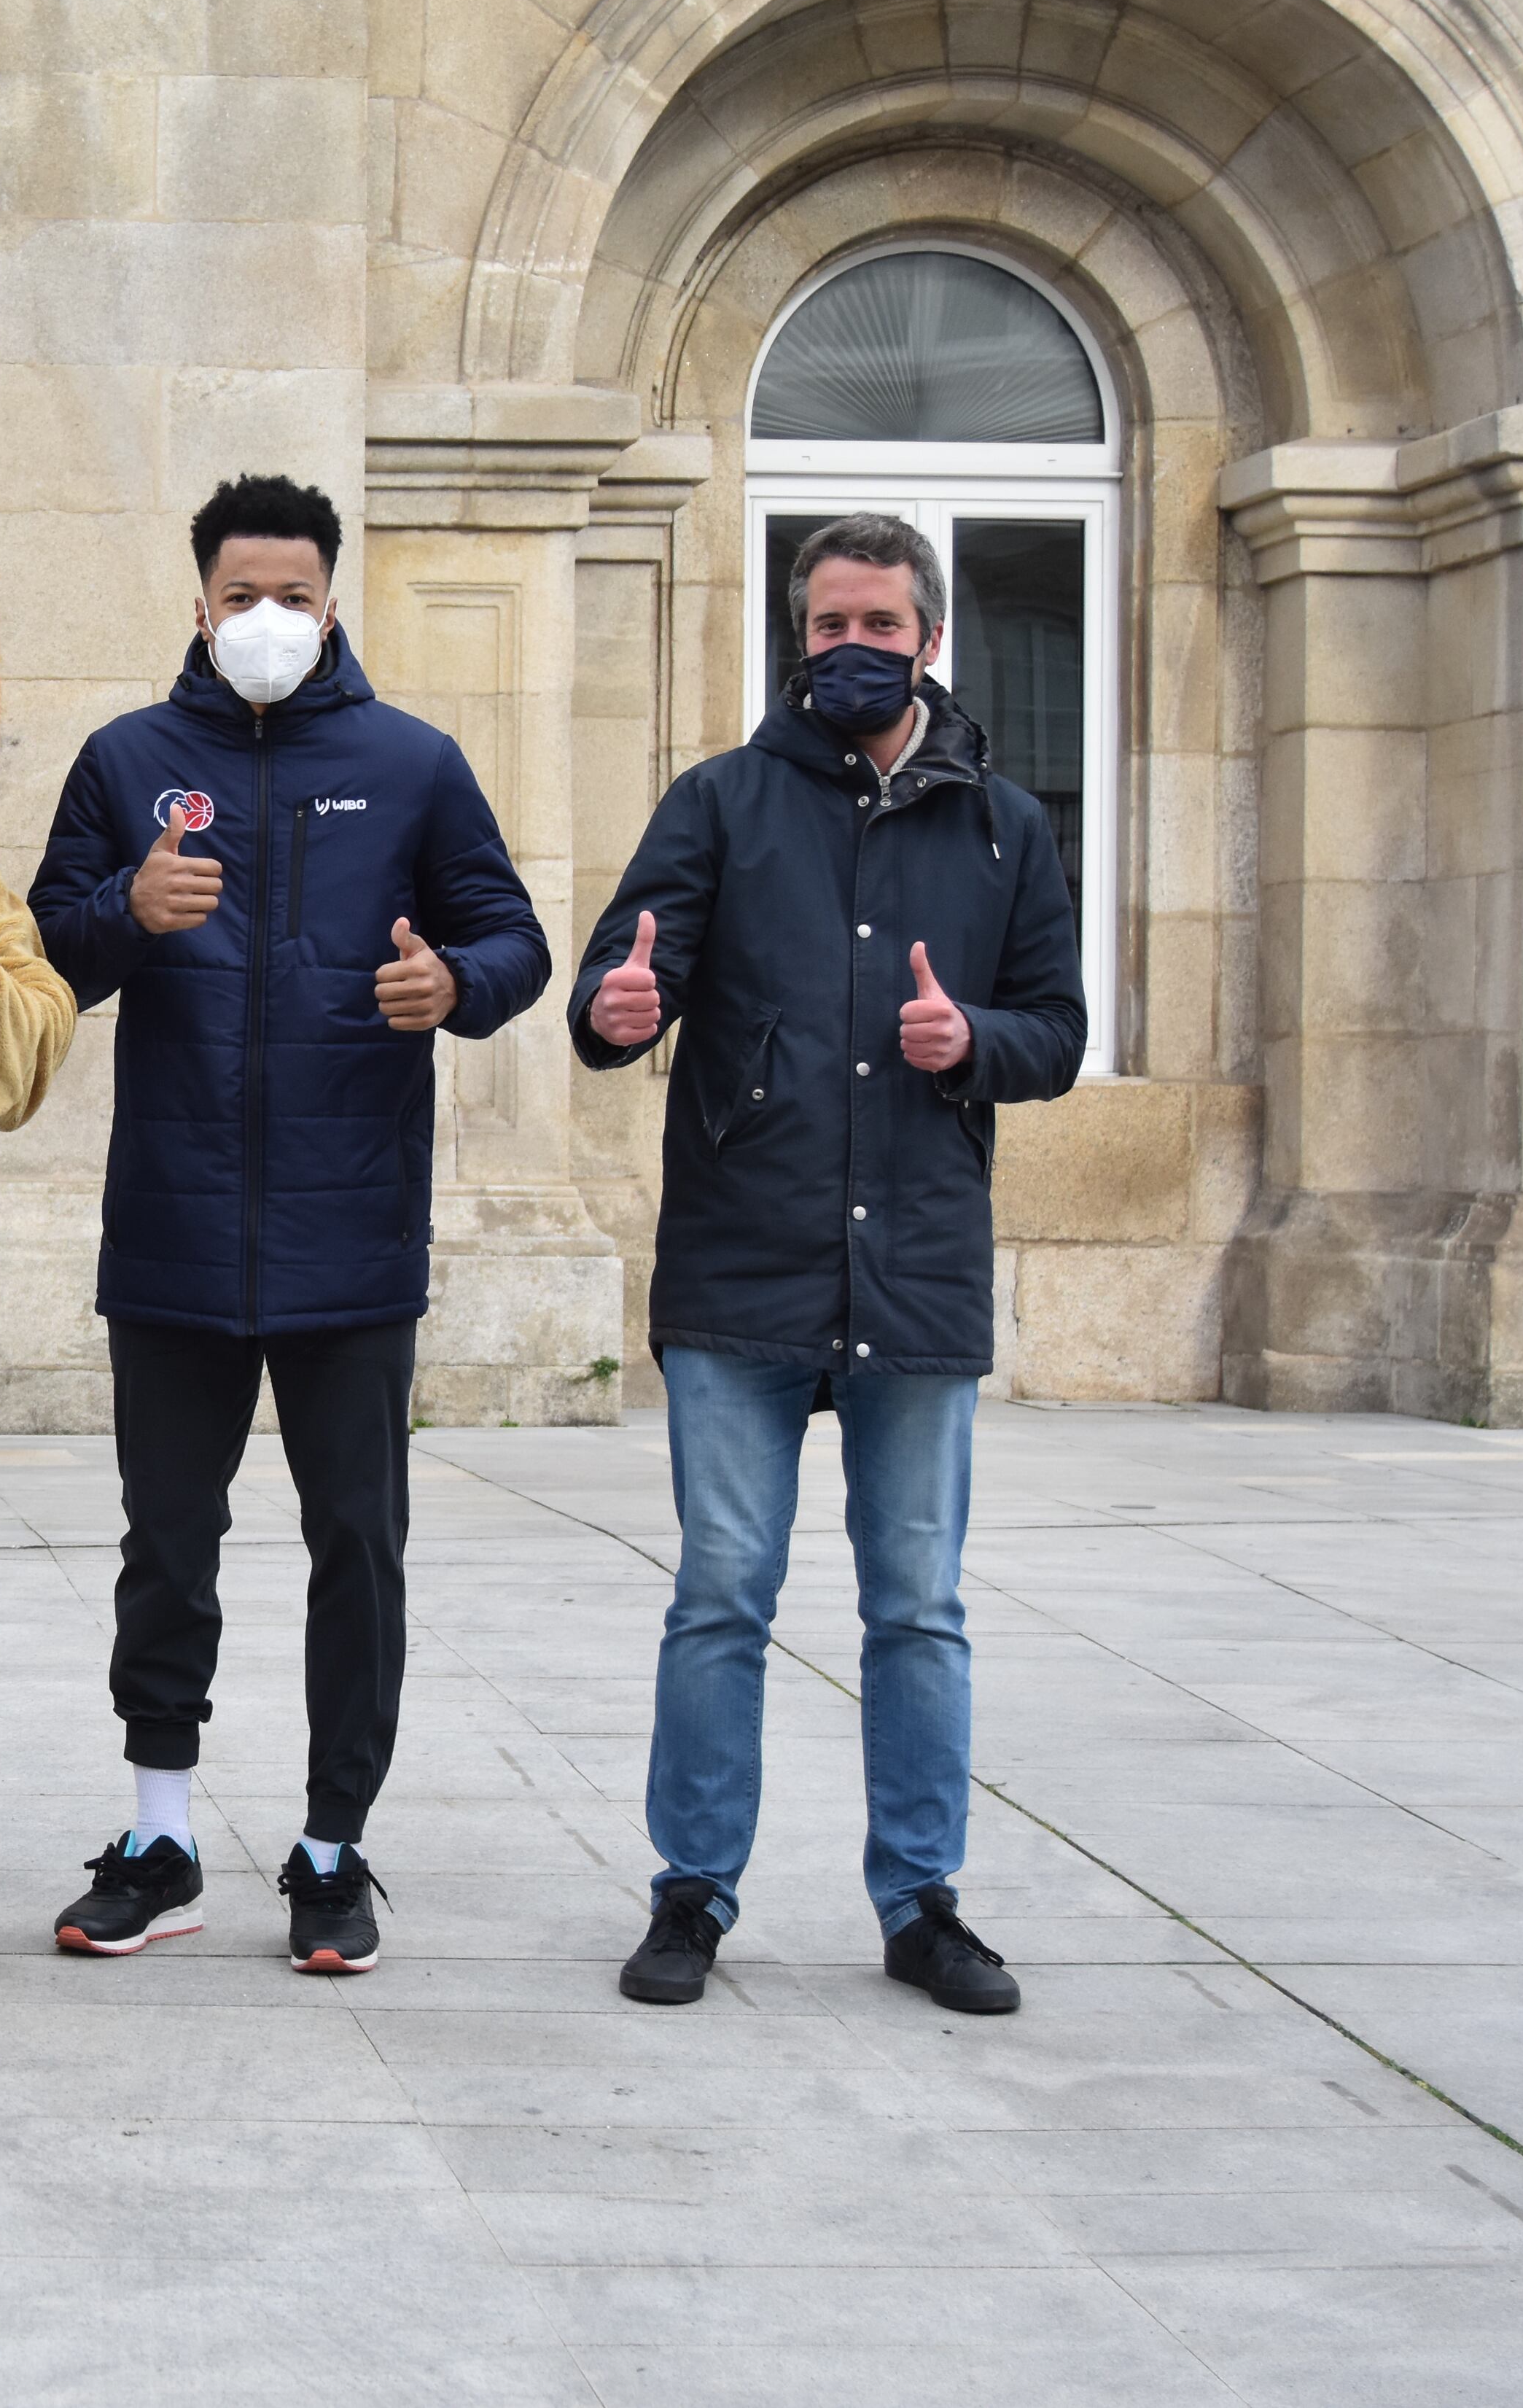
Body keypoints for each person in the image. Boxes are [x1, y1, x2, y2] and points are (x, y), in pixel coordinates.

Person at [26, 474, 550, 1974]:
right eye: (241, 594)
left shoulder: (412, 763)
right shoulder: (129, 760)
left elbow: (508, 931)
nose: (268, 620)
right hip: (175, 1235)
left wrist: (453, 985)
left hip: (351, 1236)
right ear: (197, 604)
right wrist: (131, 906)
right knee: (166, 1541)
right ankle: (161, 1827)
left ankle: (332, 1848)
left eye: (294, 595)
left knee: (356, 1544)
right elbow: (43, 947)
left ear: (334, 603)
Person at [572, 511, 1085, 2016]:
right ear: (794, 639)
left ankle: (921, 1902)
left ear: (930, 638)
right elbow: (630, 966)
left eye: (878, 625)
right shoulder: (723, 799)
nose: (849, 648)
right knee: (721, 1590)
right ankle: (691, 1889)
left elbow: (1052, 1027)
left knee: (914, 1601)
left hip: (914, 1267)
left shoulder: (1005, 825)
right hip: (744, 1258)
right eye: (825, 625)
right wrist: (621, 1005)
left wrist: (971, 1041)